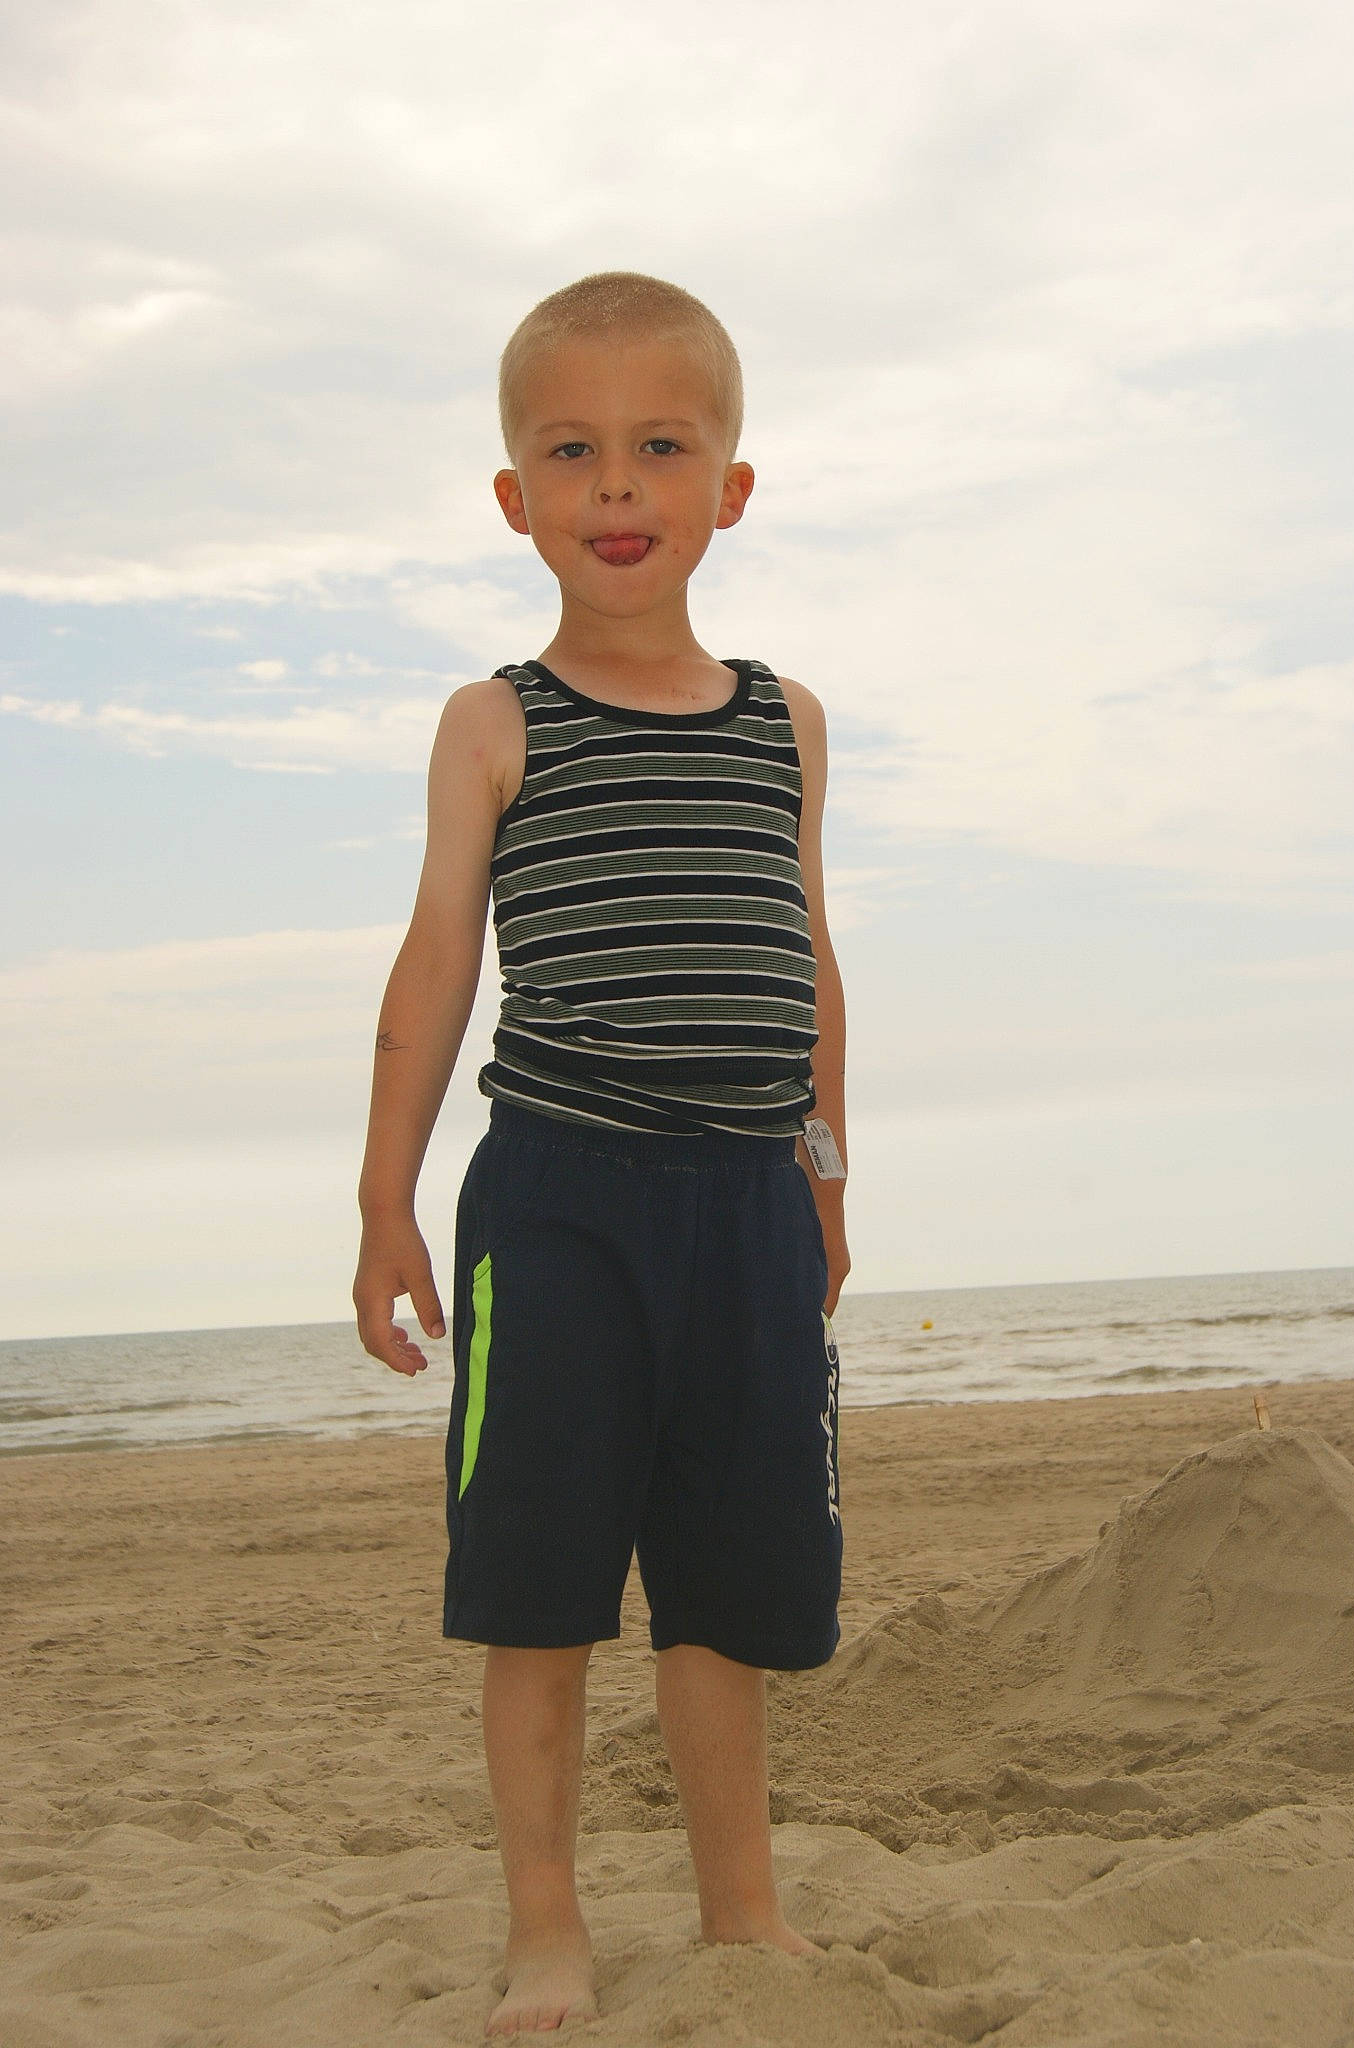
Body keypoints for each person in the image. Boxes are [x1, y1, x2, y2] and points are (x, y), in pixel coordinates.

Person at [353, 270, 850, 2037]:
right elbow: (438, 958)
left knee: (729, 1583)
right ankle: (546, 1927)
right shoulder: (495, 721)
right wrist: (383, 1200)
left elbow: (805, 949)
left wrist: (822, 1169)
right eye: (572, 452)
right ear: (515, 497)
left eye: (662, 447)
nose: (618, 485)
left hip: (747, 1202)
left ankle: (742, 1911)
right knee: (539, 1582)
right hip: (557, 1199)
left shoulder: (782, 719)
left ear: (731, 486)